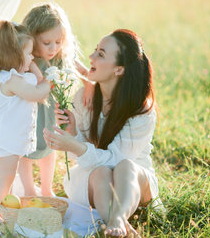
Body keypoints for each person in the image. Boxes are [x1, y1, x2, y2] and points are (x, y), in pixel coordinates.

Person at [44, 29, 160, 237]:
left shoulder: (141, 110)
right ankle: (116, 222)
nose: (91, 57)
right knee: (100, 173)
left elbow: (117, 160)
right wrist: (72, 135)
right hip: (96, 180)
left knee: (124, 166)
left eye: (101, 54)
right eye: (95, 50)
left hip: (133, 181)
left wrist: (75, 145)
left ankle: (116, 219)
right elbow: (78, 158)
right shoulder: (84, 98)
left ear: (119, 70)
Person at [18, 2, 94, 197]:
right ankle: (28, 189)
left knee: (50, 146)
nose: (53, 48)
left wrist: (88, 84)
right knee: (24, 149)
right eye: (46, 43)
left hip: (50, 111)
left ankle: (46, 188)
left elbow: (78, 67)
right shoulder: (27, 58)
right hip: (28, 110)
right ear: (33, 38)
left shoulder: (60, 55)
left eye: (58, 42)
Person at [0, 20, 50, 215]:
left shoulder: (15, 77)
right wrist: (48, 82)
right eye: (29, 54)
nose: (32, 58)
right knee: (5, 177)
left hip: (7, 139)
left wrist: (34, 68)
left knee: (8, 177)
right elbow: (38, 93)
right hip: (2, 141)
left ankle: (6, 205)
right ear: (14, 56)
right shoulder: (11, 80)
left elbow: (34, 82)